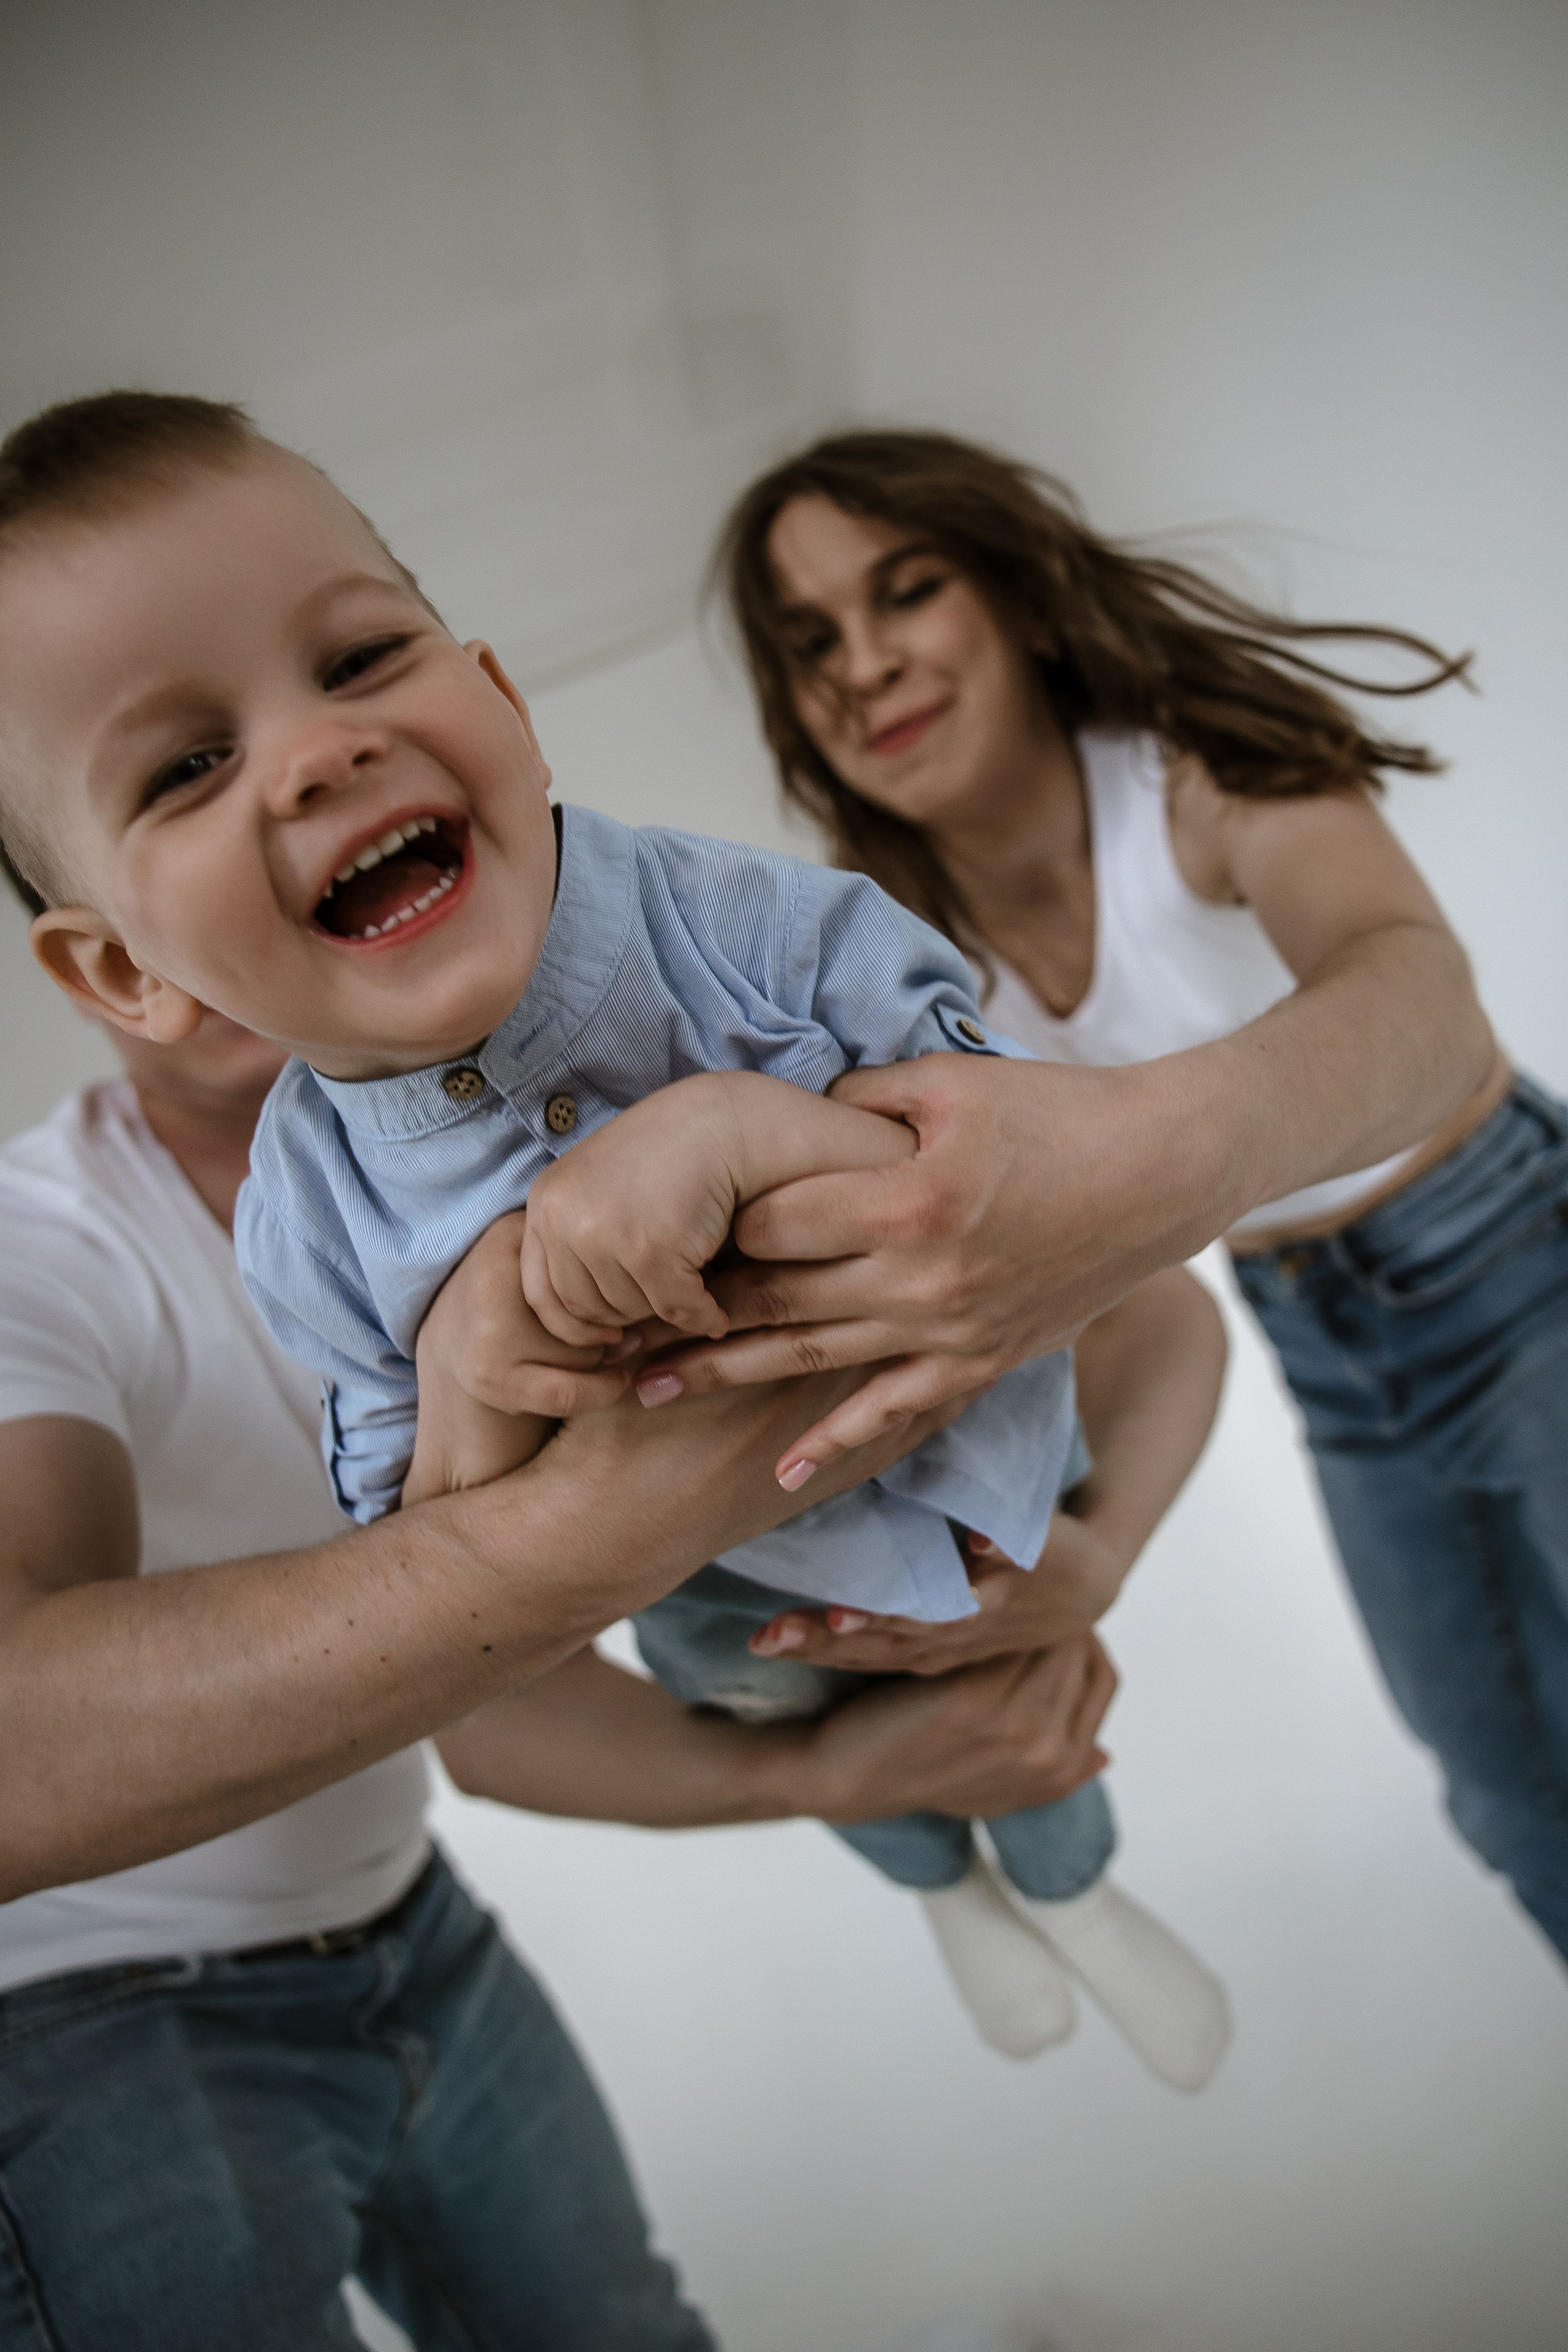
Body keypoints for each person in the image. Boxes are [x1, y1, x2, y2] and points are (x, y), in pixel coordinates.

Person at [4, 391, 1228, 2082]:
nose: (314, 751)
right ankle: (943, 1894)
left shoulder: (727, 924)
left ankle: (1081, 1899)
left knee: (1037, 1732)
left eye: (358, 661)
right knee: (837, 1756)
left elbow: (1009, 1118)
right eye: (188, 764)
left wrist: (734, 1130)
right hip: (730, 1612)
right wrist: (469, 1383)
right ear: (125, 974)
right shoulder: (304, 1214)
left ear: (499, 698)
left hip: (982, 1504)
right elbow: (409, 1527)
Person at [701, 425, 1568, 1964]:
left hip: (1519, 1257)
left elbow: (1425, 1013)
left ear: (1025, 602)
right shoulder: (899, 965)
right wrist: (1085, 1552)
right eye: (808, 642)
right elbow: (1137, 1299)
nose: (863, 666)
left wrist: (1133, 1166)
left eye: (906, 593)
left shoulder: (1193, 778)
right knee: (1514, 1807)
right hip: (1326, 1353)